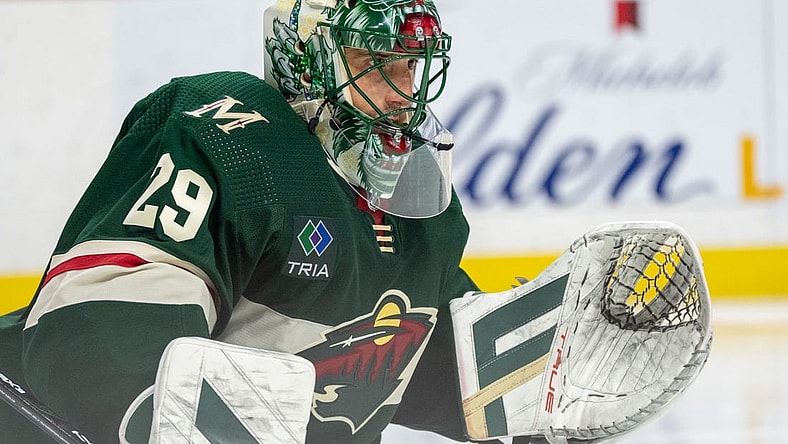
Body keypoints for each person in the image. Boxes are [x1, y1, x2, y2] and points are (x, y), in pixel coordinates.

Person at [0, 0, 481, 442]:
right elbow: (98, 332)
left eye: (410, 65)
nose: (404, 94)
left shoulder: (420, 212)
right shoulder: (231, 140)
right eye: (373, 64)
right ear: (307, 58)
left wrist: (529, 374)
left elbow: (415, 362)